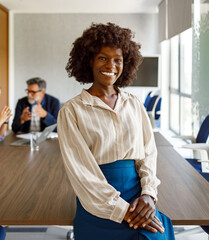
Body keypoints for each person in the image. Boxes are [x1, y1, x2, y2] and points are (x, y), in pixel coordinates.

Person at [58, 23, 175, 239]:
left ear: (125, 63)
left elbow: (148, 154)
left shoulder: (134, 104)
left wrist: (149, 194)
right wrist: (123, 212)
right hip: (97, 200)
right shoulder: (72, 110)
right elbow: (82, 173)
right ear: (89, 60)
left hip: (138, 198)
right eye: (103, 58)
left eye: (117, 60)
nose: (111, 65)